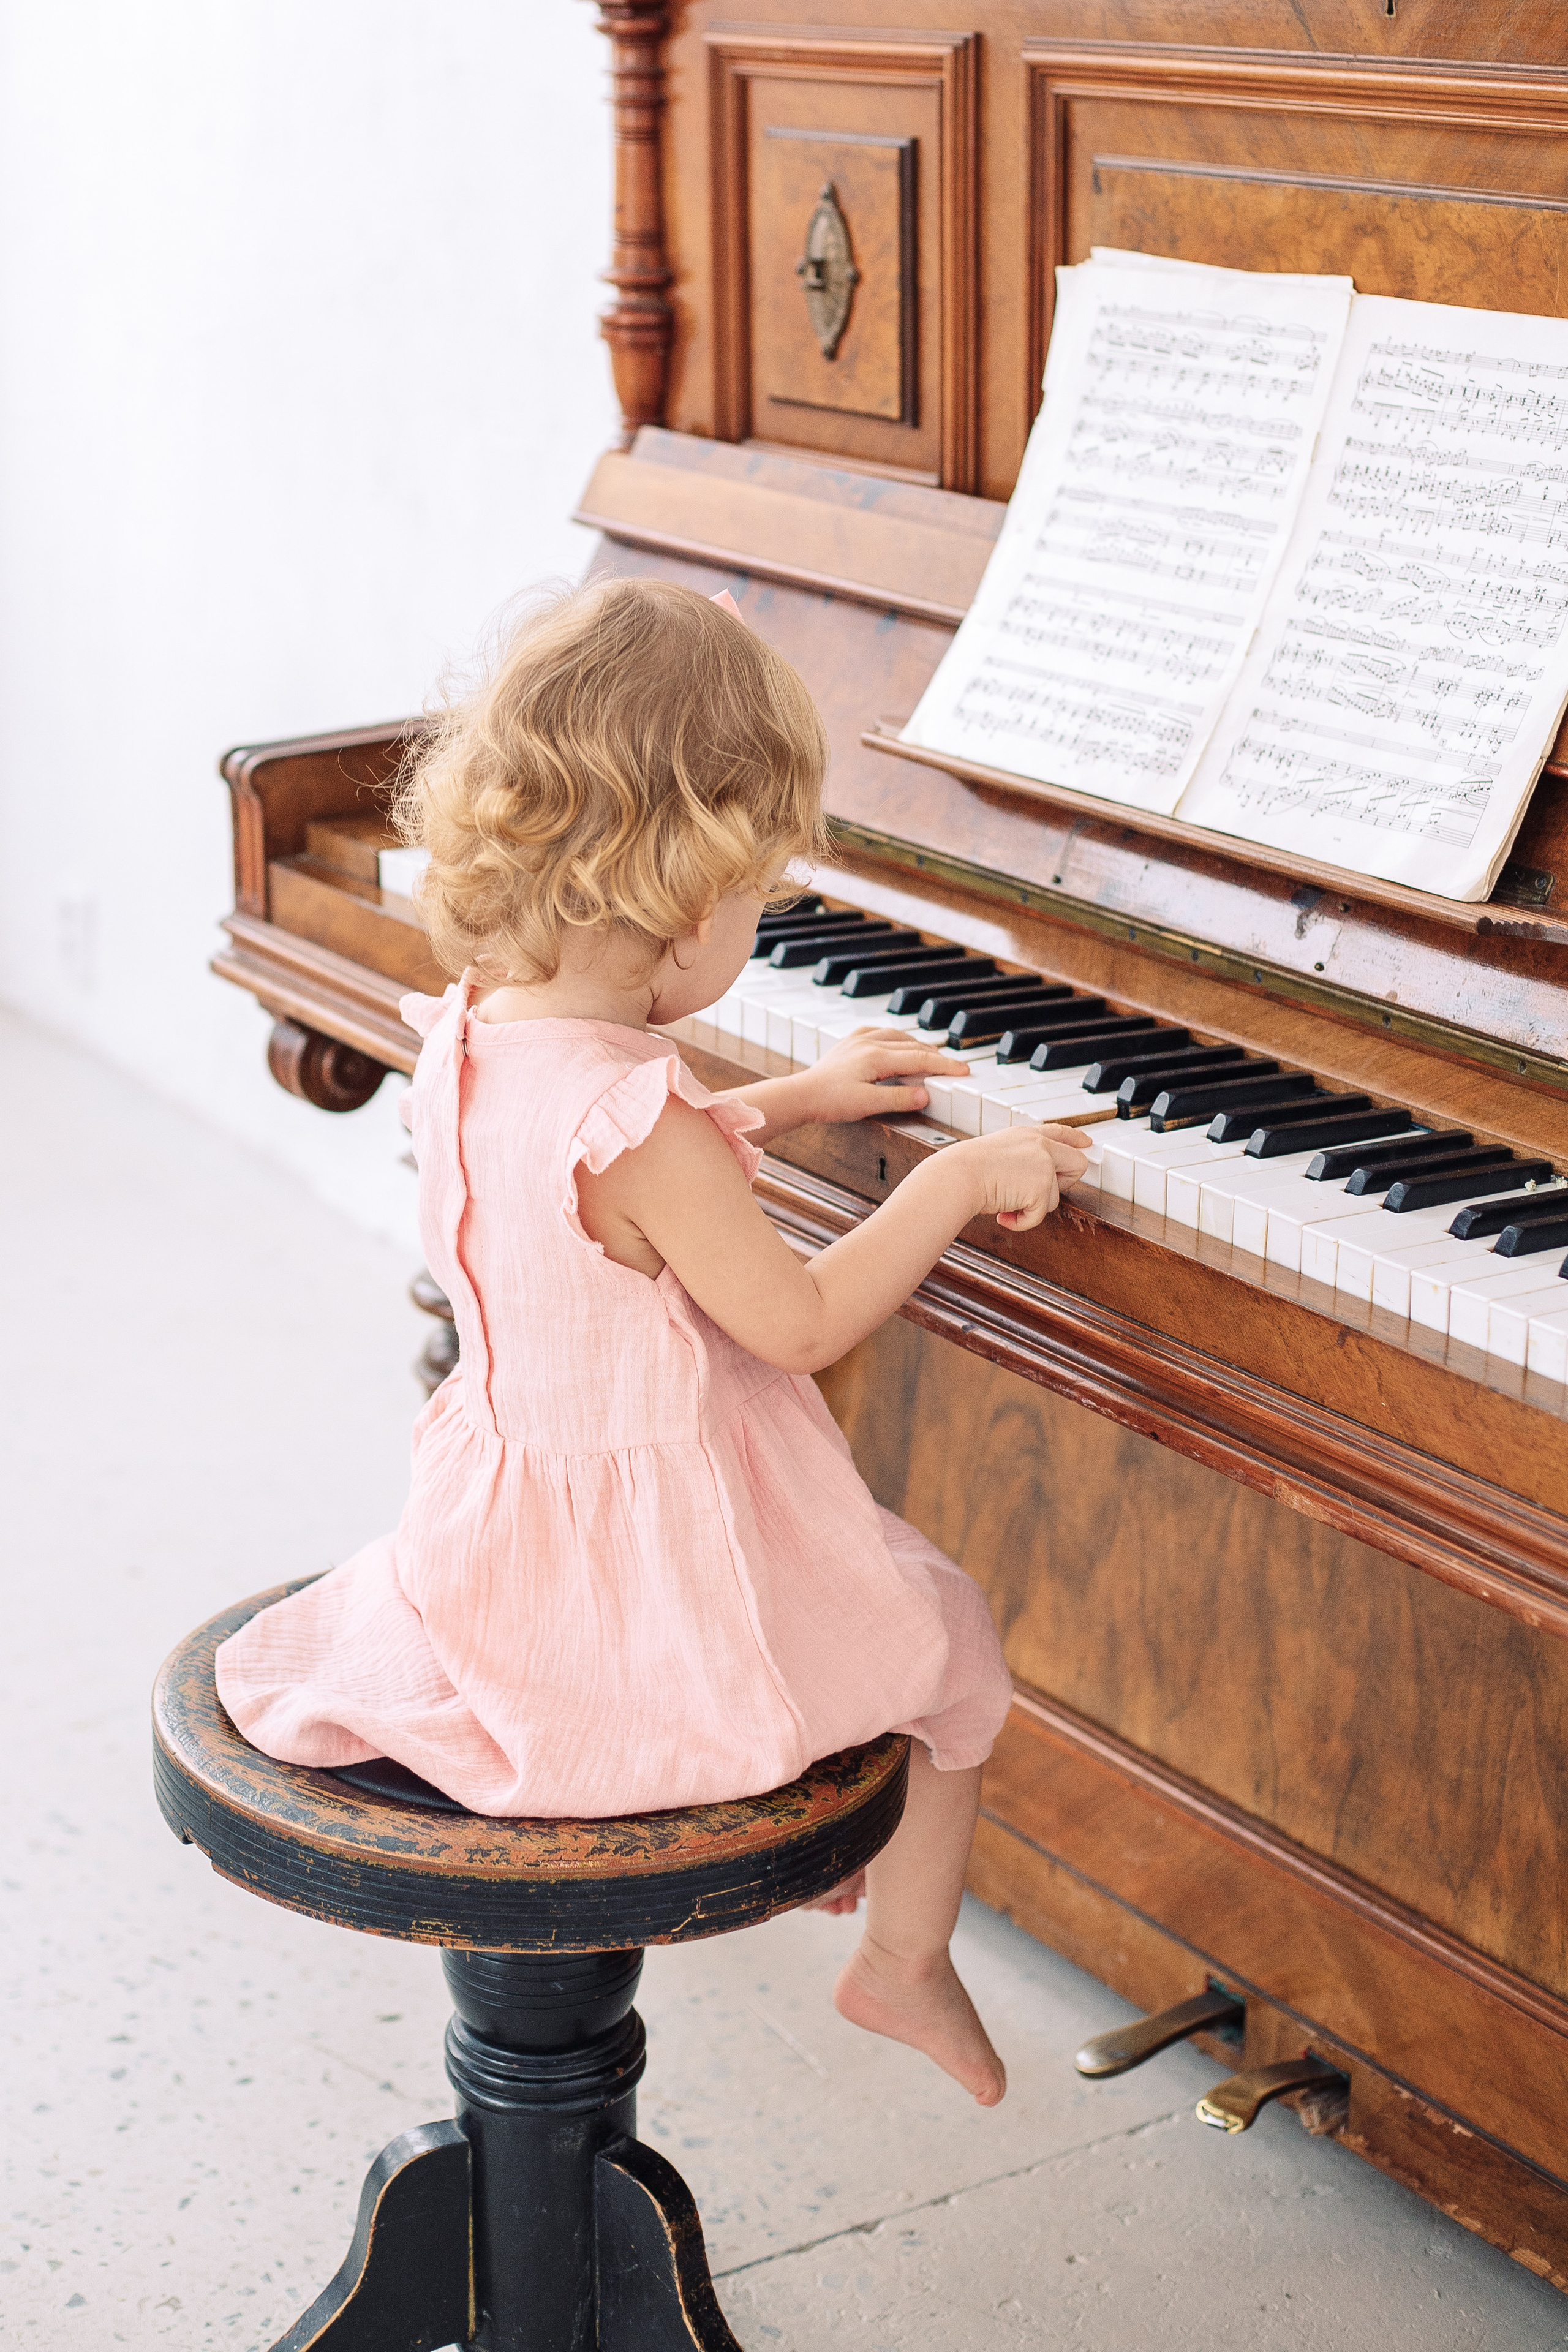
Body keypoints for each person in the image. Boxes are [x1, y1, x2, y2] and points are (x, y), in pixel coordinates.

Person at [216, 577, 1088, 2106]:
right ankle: (902, 1957)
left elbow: (596, 1194)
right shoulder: (645, 1124)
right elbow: (797, 1320)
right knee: (948, 1632)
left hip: (496, 1544)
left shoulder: (469, 1031)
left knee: (903, 1618)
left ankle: (869, 1901)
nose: (756, 922)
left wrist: (792, 1101)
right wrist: (951, 1184)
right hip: (643, 1585)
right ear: (688, 900)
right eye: (759, 898)